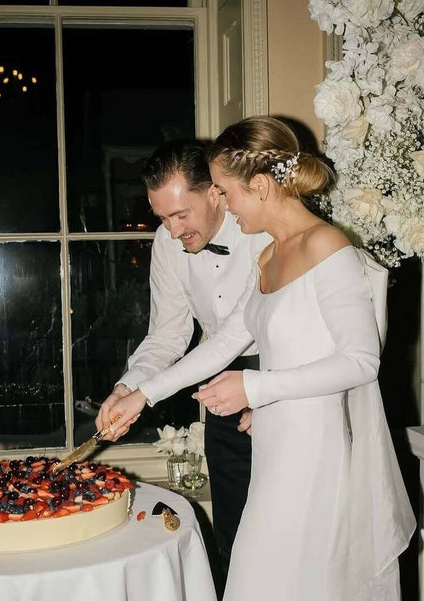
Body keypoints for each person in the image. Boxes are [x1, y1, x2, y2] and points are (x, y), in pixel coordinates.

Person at [97, 117, 415, 601]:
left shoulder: (329, 246)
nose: (223, 201)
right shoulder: (269, 256)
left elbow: (361, 362)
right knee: (250, 568)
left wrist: (256, 390)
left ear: (259, 187)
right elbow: (225, 343)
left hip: (315, 448)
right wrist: (140, 393)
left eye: (225, 190)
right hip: (271, 437)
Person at [98, 139, 270, 578]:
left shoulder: (261, 230)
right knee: (234, 531)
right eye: (162, 218)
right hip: (220, 383)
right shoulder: (167, 243)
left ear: (215, 193)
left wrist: (147, 396)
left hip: (279, 374)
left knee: (282, 526)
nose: (173, 231)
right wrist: (127, 386)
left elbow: (239, 331)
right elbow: (168, 335)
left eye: (181, 215)